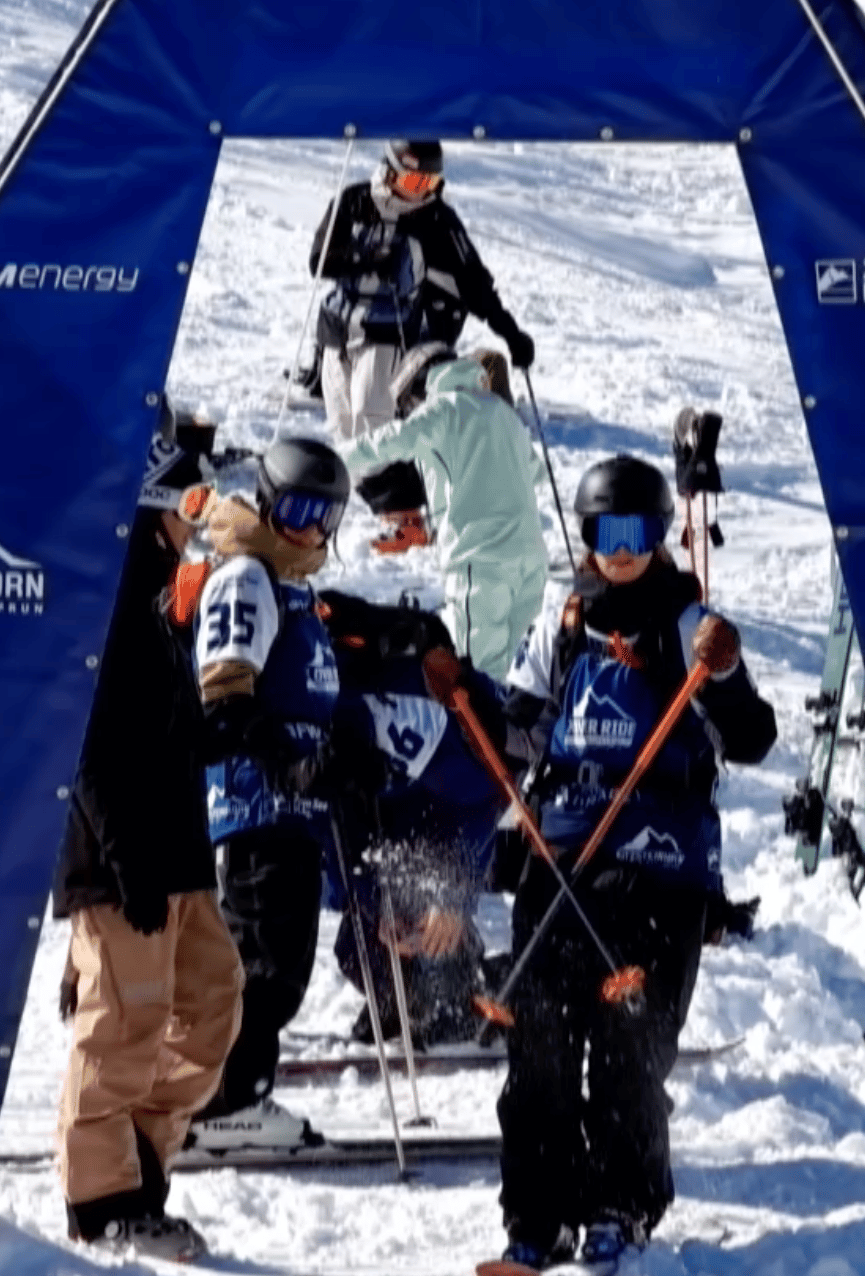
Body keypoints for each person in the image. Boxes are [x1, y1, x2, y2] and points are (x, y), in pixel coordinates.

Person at [479, 454, 778, 1273]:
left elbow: (751, 738)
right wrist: (464, 695)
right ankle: (537, 1215)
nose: (620, 551)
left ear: (658, 536)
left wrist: (722, 672)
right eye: (605, 533)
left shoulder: (687, 623)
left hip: (657, 859)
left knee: (628, 1044)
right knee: (539, 1042)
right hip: (564, 855)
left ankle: (621, 1203)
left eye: (636, 533)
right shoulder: (566, 618)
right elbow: (519, 727)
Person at [52, 423, 245, 1263]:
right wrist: (122, 858)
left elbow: (164, 732)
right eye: (191, 501)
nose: (199, 519)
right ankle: (102, 1202)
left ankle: (134, 1158)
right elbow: (88, 745)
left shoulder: (162, 602)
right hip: (123, 860)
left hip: (178, 858)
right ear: (153, 501)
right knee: (124, 1025)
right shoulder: (110, 601)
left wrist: (229, 734)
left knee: (213, 1004)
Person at [178, 438, 350, 1154]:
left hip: (292, 805)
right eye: (298, 511)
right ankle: (224, 1101)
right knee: (264, 963)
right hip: (257, 802)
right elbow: (224, 697)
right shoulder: (247, 576)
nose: (309, 530)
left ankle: (225, 1092)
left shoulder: (291, 587)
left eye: (325, 516)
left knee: (279, 961)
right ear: (270, 502)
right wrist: (289, 764)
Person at [310, 139, 535, 550]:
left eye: (430, 183)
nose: (421, 192)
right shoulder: (354, 201)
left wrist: (510, 332)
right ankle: (390, 510)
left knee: (372, 417)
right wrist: (367, 260)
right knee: (342, 423)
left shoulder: (436, 218)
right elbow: (319, 261)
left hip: (388, 330)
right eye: (414, 181)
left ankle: (406, 515)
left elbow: (473, 281)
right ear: (390, 171)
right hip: (337, 329)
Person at [317, 589, 508, 1047]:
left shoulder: (399, 715)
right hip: (376, 835)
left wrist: (453, 895)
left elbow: (481, 798)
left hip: (443, 822)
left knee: (432, 937)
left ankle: (470, 990)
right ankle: (407, 1000)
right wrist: (371, 904)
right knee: (358, 950)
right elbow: (325, 843)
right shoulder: (292, 726)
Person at [341, 343, 550, 681]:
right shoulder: (502, 412)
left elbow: (390, 441)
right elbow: (536, 472)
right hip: (531, 561)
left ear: (421, 385)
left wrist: (333, 459)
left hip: (481, 563)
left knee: (474, 675)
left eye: (408, 404)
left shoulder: (444, 408)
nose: (410, 412)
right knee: (514, 671)